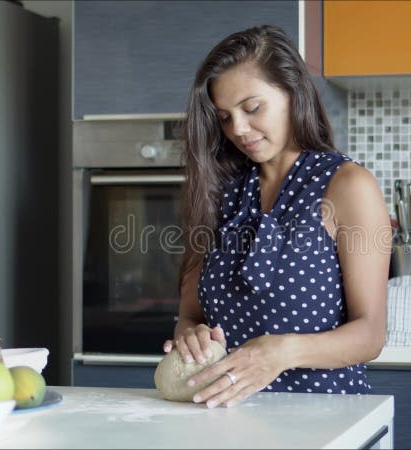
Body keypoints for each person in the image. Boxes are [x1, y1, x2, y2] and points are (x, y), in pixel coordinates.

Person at [164, 25, 391, 409]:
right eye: (224, 117)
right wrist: (192, 335)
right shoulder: (219, 192)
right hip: (224, 422)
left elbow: (370, 335)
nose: (238, 128)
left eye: (252, 108)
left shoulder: (347, 185)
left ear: (292, 92)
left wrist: (281, 353)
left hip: (325, 417)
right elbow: (189, 316)